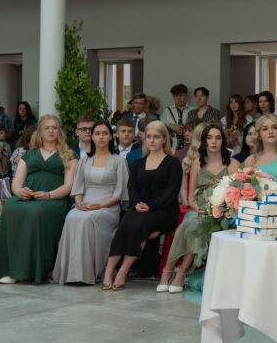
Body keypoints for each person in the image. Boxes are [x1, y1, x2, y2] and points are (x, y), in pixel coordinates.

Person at [0, 115, 76, 284]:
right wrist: (19, 192)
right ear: (40, 132)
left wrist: (49, 195)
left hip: (54, 199)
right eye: (47, 128)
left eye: (54, 128)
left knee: (36, 212)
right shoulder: (29, 155)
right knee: (9, 207)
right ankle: (10, 269)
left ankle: (30, 270)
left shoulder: (69, 155)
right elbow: (17, 181)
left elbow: (69, 185)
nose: (51, 131)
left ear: (60, 131)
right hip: (29, 196)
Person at [102, 121, 181, 291]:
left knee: (138, 225)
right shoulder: (138, 163)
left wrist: (150, 206)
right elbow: (132, 189)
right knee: (125, 223)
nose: (151, 140)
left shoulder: (173, 163)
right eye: (149, 136)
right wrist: (137, 203)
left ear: (164, 139)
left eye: (156, 137)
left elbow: (171, 193)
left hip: (164, 210)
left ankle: (123, 271)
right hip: (140, 208)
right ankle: (110, 269)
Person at [161, 123, 238, 293]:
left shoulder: (233, 164)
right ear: (203, 141)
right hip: (198, 207)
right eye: (209, 138)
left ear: (223, 141)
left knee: (199, 226)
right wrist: (196, 207)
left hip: (222, 210)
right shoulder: (197, 162)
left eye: (218, 138)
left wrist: (221, 208)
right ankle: (168, 270)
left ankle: (181, 273)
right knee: (188, 224)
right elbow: (190, 197)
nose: (214, 142)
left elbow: (236, 194)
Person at [52, 121, 128, 285]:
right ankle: (71, 274)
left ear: (110, 137)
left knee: (87, 219)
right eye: (97, 133)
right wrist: (79, 203)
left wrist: (101, 205)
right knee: (72, 217)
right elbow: (78, 187)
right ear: (92, 137)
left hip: (108, 206)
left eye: (105, 133)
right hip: (85, 203)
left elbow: (120, 193)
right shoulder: (85, 159)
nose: (101, 137)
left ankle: (86, 274)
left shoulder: (118, 161)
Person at [163, 84, 190, 149]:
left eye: (181, 95)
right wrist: (170, 126)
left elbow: (197, 130)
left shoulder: (193, 110)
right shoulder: (167, 110)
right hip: (171, 147)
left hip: (189, 147)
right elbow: (160, 128)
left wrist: (185, 132)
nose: (178, 98)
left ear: (186, 95)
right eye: (175, 96)